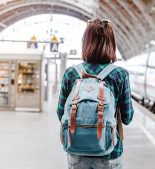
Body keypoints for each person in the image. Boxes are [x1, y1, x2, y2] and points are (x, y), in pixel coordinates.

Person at [57, 19, 134, 169]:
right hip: (110, 152)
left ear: (85, 43)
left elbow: (61, 114)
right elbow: (127, 118)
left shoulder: (71, 73)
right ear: (111, 44)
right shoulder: (120, 74)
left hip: (76, 150)